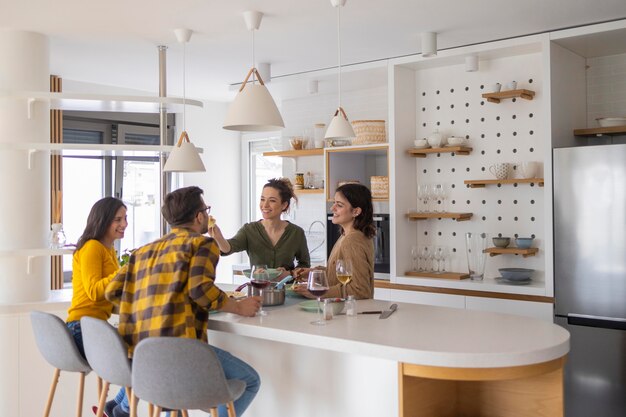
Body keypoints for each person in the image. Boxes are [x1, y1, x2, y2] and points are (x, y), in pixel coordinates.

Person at [105, 186, 262, 417]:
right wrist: (238, 306)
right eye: (206, 210)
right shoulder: (202, 244)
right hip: (181, 353)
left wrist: (147, 303)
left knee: (173, 399)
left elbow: (111, 292)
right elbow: (200, 290)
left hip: (142, 358)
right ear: (199, 216)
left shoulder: (143, 251)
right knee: (249, 381)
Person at [64, 197, 130, 417]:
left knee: (143, 350)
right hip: (82, 329)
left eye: (125, 218)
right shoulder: (93, 247)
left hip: (93, 328)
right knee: (144, 353)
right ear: (103, 220)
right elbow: (94, 291)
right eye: (118, 219)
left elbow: (109, 291)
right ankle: (119, 409)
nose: (124, 224)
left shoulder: (108, 250)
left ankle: (114, 408)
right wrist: (125, 271)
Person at [209, 178, 310, 276]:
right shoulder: (249, 230)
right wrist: (218, 237)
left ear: (284, 205)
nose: (265, 205)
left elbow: (305, 265)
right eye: (262, 199)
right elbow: (228, 248)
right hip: (257, 290)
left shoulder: (296, 233)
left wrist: (289, 273)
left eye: (272, 201)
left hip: (287, 291)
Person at [294, 183, 375, 299]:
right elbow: (342, 273)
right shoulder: (347, 235)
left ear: (356, 211)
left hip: (350, 311)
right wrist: (314, 274)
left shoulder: (352, 240)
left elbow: (360, 289)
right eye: (334, 203)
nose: (332, 208)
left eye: (340, 205)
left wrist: (317, 292)